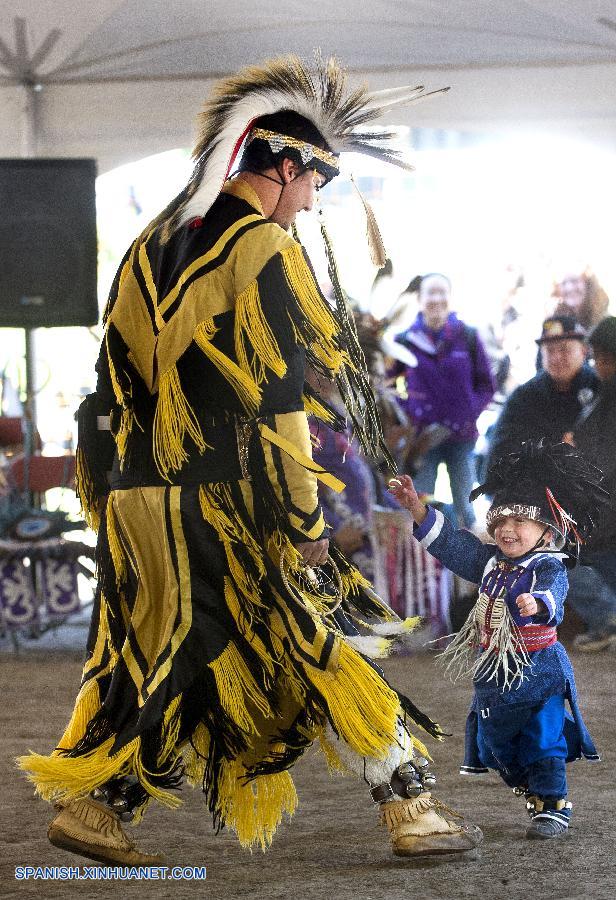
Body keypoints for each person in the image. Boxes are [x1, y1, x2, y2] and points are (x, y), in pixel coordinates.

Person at [17, 55, 481, 863]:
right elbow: (277, 401)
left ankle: (101, 807)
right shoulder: (263, 248)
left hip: (137, 499)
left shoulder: (147, 243)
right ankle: (411, 808)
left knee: (171, 653)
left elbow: (105, 389)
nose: (310, 203)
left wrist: (110, 494)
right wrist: (304, 516)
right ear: (285, 164)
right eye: (311, 185)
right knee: (316, 632)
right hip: (221, 500)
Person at [390, 440, 607, 840]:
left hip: (539, 671)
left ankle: (553, 804)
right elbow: (455, 546)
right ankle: (530, 787)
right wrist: (416, 509)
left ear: (547, 529)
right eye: (500, 521)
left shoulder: (548, 566)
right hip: (494, 671)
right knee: (499, 745)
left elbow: (552, 596)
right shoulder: (490, 562)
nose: (507, 529)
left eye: (519, 521)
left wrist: (536, 603)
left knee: (544, 738)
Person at [388, 273, 495, 529]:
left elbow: (487, 385)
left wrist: (470, 411)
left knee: (466, 505)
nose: (436, 298)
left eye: (441, 292)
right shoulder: (405, 340)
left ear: (449, 297)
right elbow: (388, 386)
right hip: (422, 439)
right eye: (430, 293)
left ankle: (469, 560)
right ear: (420, 299)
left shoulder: (467, 337)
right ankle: (425, 560)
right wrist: (408, 413)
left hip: (462, 436)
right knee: (420, 504)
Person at [487, 315, 600, 469]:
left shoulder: (601, 389)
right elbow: (499, 456)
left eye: (564, 349)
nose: (556, 358)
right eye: (549, 350)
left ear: (583, 350)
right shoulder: (524, 398)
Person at [564, 316, 616, 650]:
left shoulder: (611, 393)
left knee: (556, 565)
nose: (597, 364)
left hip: (603, 513)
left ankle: (609, 619)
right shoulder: (605, 392)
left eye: (598, 357)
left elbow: (602, 456)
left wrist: (572, 448)